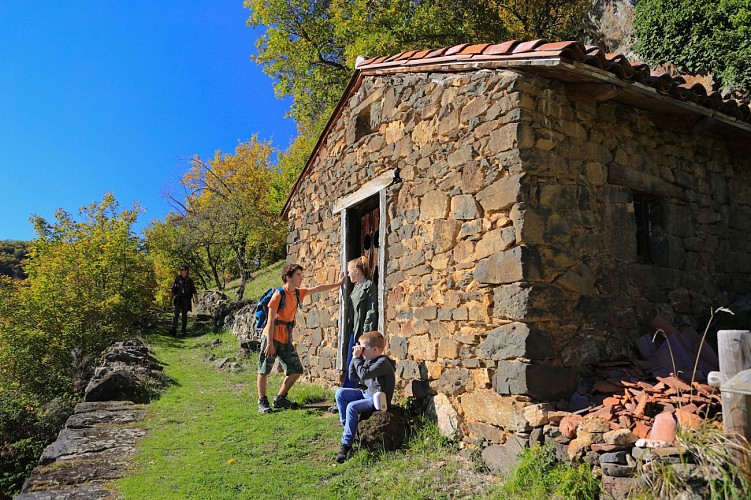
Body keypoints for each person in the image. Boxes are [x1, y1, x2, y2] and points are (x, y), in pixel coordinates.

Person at [257, 263, 344, 414]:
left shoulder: (297, 293)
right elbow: (271, 320)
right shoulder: (278, 295)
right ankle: (262, 402)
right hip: (271, 337)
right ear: (288, 277)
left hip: (285, 339)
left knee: (296, 369)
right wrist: (270, 343)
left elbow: (317, 289)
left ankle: (280, 399)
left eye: (301, 275)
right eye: (298, 275)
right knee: (264, 370)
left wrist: (338, 284)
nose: (301, 278)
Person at [334, 331, 395, 463]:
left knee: (351, 407)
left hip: (378, 399)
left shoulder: (382, 362)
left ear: (375, 349)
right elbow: (353, 376)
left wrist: (357, 359)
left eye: (363, 348)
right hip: (367, 393)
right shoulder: (368, 360)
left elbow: (364, 375)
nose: (360, 350)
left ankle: (345, 446)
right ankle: (348, 429)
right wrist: (354, 358)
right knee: (340, 393)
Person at [342, 256, 378, 388]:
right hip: (353, 331)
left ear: (357, 270)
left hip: (361, 333)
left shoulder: (369, 286)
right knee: (349, 362)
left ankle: (347, 392)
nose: (348, 274)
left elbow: (371, 311)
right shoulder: (355, 288)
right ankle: (347, 392)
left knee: (354, 362)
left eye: (349, 271)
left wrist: (365, 335)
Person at [170, 265, 197, 336]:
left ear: (186, 271)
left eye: (182, 269)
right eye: (180, 269)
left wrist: (196, 300)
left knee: (184, 315)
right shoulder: (177, 279)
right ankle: (173, 330)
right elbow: (173, 289)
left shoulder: (190, 280)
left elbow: (194, 291)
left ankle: (183, 331)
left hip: (186, 299)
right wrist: (170, 299)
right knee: (176, 314)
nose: (181, 271)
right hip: (178, 299)